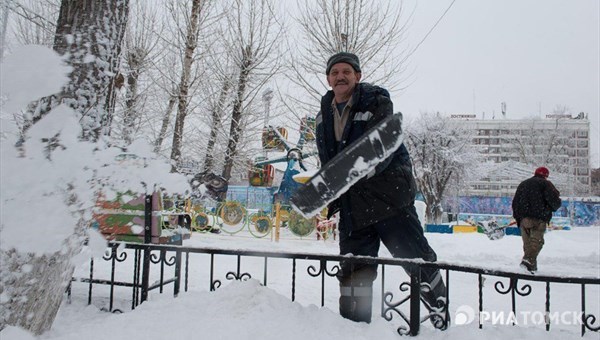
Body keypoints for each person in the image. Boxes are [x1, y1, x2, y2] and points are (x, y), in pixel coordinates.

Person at [314, 52, 447, 328]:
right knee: (354, 273)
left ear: (358, 76)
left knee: (418, 262)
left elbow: (379, 150)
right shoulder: (322, 117)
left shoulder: (376, 102)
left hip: (389, 202)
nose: (340, 76)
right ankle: (353, 329)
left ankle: (443, 321)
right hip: (354, 210)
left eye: (346, 72)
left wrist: (340, 179)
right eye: (335, 72)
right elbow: (329, 162)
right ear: (328, 78)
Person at [512, 166, 562, 273]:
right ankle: (527, 261)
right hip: (539, 218)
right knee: (536, 243)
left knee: (528, 245)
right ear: (546, 176)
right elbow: (555, 203)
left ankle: (531, 270)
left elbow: (515, 203)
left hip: (524, 219)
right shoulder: (546, 184)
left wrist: (519, 218)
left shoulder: (523, 184)